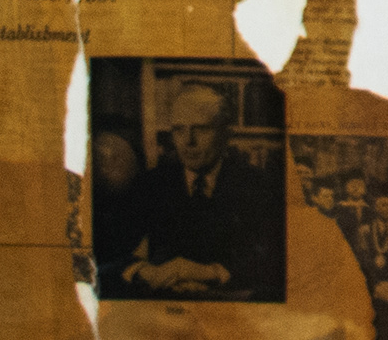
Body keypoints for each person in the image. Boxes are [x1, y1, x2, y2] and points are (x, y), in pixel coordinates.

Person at [99, 81, 285, 301]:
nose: (188, 141)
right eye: (179, 130)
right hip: (166, 304)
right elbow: (106, 250)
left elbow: (277, 259)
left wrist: (209, 273)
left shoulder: (259, 185)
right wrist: (143, 271)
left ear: (226, 135)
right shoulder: (152, 183)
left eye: (201, 129)